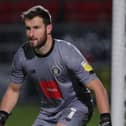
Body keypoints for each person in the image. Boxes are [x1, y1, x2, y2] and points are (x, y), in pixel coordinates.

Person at [0, 5, 112, 126]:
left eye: (36, 28)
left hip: (77, 106)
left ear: (48, 28)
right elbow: (13, 90)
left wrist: (105, 120)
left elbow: (99, 88)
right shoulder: (22, 55)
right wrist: (2, 116)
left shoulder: (67, 53)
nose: (31, 34)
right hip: (47, 112)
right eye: (28, 28)